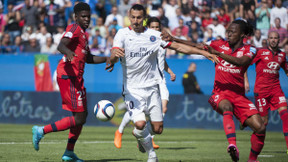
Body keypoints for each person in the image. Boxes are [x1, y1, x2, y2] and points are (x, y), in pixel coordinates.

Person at [110, 4, 216, 162]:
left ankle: (140, 136)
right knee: (139, 123)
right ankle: (152, 155)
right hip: (132, 90)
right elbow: (113, 54)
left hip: (152, 88)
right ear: (129, 17)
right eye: (133, 17)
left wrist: (202, 53)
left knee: (157, 129)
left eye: (139, 17)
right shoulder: (122, 34)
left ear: (144, 18)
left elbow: (179, 47)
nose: (136, 20)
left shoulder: (153, 35)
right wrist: (113, 57)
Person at [161, 19, 266, 162]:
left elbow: (242, 62)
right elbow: (197, 45)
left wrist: (217, 53)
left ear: (242, 35)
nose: (228, 34)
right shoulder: (219, 43)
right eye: (228, 31)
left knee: (260, 128)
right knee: (226, 106)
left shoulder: (250, 49)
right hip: (220, 93)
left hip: (239, 96)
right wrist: (174, 38)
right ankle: (232, 145)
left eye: (232, 32)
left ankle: (252, 159)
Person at [31, 2, 113, 162]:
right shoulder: (74, 29)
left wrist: (107, 59)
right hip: (68, 77)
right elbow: (61, 45)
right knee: (79, 118)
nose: (87, 19)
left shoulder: (84, 34)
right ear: (76, 17)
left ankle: (69, 152)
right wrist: (68, 52)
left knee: (82, 116)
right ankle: (41, 130)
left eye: (88, 17)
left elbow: (88, 58)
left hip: (77, 78)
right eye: (83, 17)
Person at [113, 16, 176, 150]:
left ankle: (145, 137)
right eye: (152, 27)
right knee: (139, 111)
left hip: (160, 81)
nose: (154, 30)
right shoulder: (144, 40)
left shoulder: (160, 40)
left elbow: (162, 61)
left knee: (162, 111)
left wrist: (170, 71)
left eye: (157, 28)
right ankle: (121, 131)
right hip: (144, 82)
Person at [252, 31, 288, 154]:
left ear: (279, 40)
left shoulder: (282, 55)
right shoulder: (260, 52)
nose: (273, 40)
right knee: (263, 123)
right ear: (268, 39)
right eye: (271, 38)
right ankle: (254, 149)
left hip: (276, 90)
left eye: (275, 38)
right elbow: (245, 64)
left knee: (286, 115)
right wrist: (245, 80)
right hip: (261, 91)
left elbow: (286, 70)